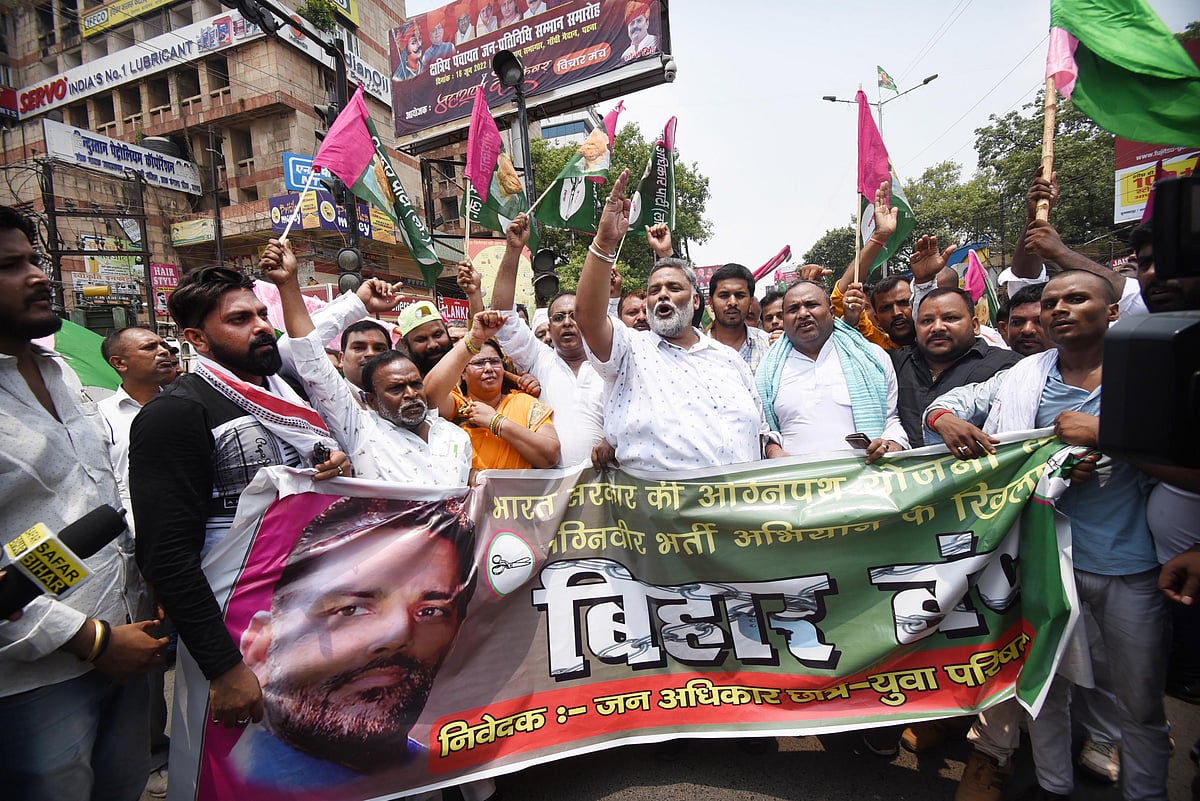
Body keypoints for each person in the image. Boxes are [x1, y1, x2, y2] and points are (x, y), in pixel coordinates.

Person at [928, 270, 1169, 801]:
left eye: (1076, 299)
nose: (1058, 311)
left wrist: (1107, 436)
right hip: (1042, 560)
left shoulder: (1147, 375)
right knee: (1044, 687)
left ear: (1113, 310)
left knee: (1139, 701)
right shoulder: (1023, 375)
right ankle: (1053, 786)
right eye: (1051, 301)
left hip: (1127, 564)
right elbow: (947, 406)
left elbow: (1182, 450)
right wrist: (944, 417)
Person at [129, 264, 351, 749]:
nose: (262, 326)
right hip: (238, 630)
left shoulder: (286, 397)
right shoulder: (175, 413)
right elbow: (166, 555)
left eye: (261, 313)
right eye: (239, 319)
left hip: (315, 616)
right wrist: (224, 666)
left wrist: (332, 463)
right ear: (197, 338)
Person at [0, 205, 166, 801]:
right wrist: (90, 640)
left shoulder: (63, 373)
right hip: (31, 679)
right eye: (10, 266)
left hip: (124, 643)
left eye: (36, 260)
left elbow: (99, 501)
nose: (39, 275)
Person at [232, 496, 475, 789]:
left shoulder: (432, 768)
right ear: (261, 646)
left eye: (430, 611)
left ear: (454, 638)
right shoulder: (239, 781)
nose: (398, 632)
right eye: (351, 609)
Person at [262, 239, 472, 487]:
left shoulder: (455, 437)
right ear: (370, 399)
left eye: (416, 384)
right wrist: (289, 285)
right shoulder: (360, 429)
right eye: (395, 388)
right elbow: (305, 352)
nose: (410, 394)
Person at [97, 326, 181, 797]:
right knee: (146, 652)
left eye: (164, 344)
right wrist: (148, 547)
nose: (164, 351)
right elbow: (114, 488)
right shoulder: (104, 418)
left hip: (192, 546)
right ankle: (151, 751)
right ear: (119, 364)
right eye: (149, 347)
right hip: (135, 555)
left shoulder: (190, 403)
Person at [466, 213, 605, 468]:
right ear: (549, 329)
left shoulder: (611, 363)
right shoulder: (540, 360)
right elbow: (503, 313)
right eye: (558, 317)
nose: (567, 322)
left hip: (612, 487)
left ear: (589, 320)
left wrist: (613, 442)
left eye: (575, 316)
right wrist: (513, 250)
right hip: (554, 496)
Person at [756, 279, 907, 462]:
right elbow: (763, 429)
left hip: (865, 481)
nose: (803, 314)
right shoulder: (767, 371)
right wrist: (772, 449)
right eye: (793, 309)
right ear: (784, 320)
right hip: (797, 484)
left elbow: (891, 418)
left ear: (832, 312)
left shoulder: (872, 357)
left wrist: (891, 444)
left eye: (812, 305)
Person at [425, 310, 561, 472]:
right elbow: (430, 397)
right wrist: (472, 340)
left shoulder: (524, 402)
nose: (489, 368)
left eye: (494, 362)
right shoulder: (458, 406)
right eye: (479, 363)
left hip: (519, 496)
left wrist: (496, 422)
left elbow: (550, 456)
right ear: (462, 372)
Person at [890, 287, 1020, 447]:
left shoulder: (1009, 366)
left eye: (950, 318)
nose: (937, 327)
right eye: (926, 321)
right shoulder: (893, 363)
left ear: (975, 326)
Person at [706, 263, 772, 374]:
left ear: (750, 302)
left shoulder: (769, 346)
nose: (732, 302)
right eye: (724, 295)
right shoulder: (697, 349)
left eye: (740, 295)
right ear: (711, 302)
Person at [337, 319, 393, 407]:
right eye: (359, 347)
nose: (370, 353)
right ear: (341, 358)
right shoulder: (327, 398)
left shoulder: (403, 398)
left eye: (379, 349)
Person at [398, 300, 454, 376]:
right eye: (421, 340)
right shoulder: (405, 383)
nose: (433, 345)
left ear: (447, 331)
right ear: (405, 344)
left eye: (437, 335)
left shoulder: (466, 372)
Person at [1004, 284, 1052, 357]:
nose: (1027, 330)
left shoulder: (1073, 367)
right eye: (1017, 322)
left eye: (1040, 322)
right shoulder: (993, 366)